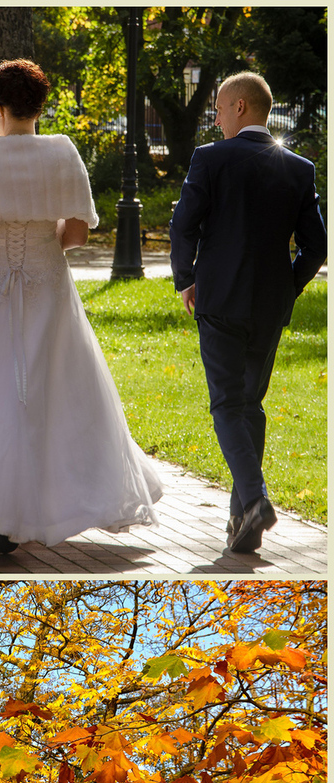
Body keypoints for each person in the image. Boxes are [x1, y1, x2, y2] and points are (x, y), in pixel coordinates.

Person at [0, 59, 162, 554]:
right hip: (45, 279)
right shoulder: (63, 153)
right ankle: (51, 501)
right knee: (53, 387)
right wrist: (37, 242)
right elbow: (77, 233)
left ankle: (0, 511)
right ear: (39, 107)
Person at [170, 71, 326, 554]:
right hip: (268, 306)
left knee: (225, 404)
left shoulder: (210, 159)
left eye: (218, 109)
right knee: (250, 404)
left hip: (218, 301)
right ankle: (243, 519)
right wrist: (290, 287)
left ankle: (255, 500)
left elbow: (182, 226)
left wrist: (186, 280)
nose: (215, 120)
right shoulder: (298, 167)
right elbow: (316, 246)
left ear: (240, 107)